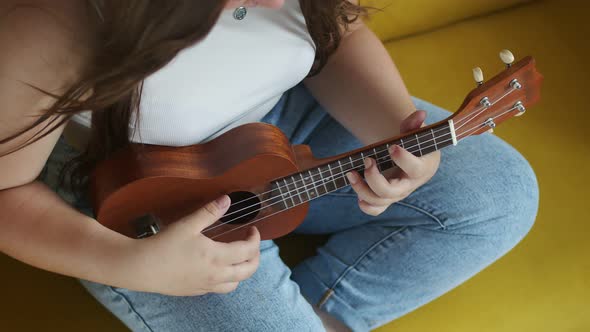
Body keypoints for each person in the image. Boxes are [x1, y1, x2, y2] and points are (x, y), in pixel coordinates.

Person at [0, 0, 539, 331]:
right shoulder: (54, 23)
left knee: (502, 192)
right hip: (135, 197)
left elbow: (337, 36)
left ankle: (320, 312)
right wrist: (127, 266)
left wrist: (395, 128)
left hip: (279, 123)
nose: (276, 1)